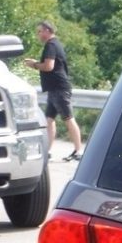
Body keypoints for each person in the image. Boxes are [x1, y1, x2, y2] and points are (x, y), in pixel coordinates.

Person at [24, 20, 82, 161]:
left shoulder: (51, 45)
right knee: (49, 120)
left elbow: (49, 66)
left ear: (47, 31)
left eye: (40, 31)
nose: (38, 35)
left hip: (59, 89)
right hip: (54, 89)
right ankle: (47, 151)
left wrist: (34, 65)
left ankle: (78, 151)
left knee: (68, 118)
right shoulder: (55, 44)